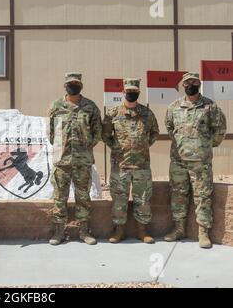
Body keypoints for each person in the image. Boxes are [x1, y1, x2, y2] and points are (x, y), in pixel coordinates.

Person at [164, 72, 226, 249]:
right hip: (178, 160)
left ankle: (203, 232)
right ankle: (179, 229)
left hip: (201, 161)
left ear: (199, 84)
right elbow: (170, 128)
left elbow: (220, 130)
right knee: (177, 194)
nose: (190, 84)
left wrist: (204, 146)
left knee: (203, 196)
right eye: (187, 82)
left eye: (194, 82)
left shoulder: (210, 106)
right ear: (182, 85)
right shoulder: (173, 107)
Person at [102, 78, 159, 244]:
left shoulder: (147, 113)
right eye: (129, 91)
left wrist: (143, 146)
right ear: (123, 92)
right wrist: (118, 148)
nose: (131, 94)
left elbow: (154, 133)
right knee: (119, 199)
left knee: (143, 198)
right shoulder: (112, 113)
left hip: (142, 165)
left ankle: (142, 231)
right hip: (120, 165)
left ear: (138, 93)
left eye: (134, 92)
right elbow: (105, 135)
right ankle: (119, 231)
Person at [48, 72, 102, 246]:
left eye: (76, 83)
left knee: (83, 196)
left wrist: (85, 147)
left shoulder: (90, 107)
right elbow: (50, 132)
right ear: (65, 86)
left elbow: (97, 132)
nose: (73, 86)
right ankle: (58, 231)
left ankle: (84, 231)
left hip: (82, 161)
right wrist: (60, 148)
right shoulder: (56, 106)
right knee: (59, 197)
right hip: (62, 161)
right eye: (70, 83)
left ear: (81, 85)